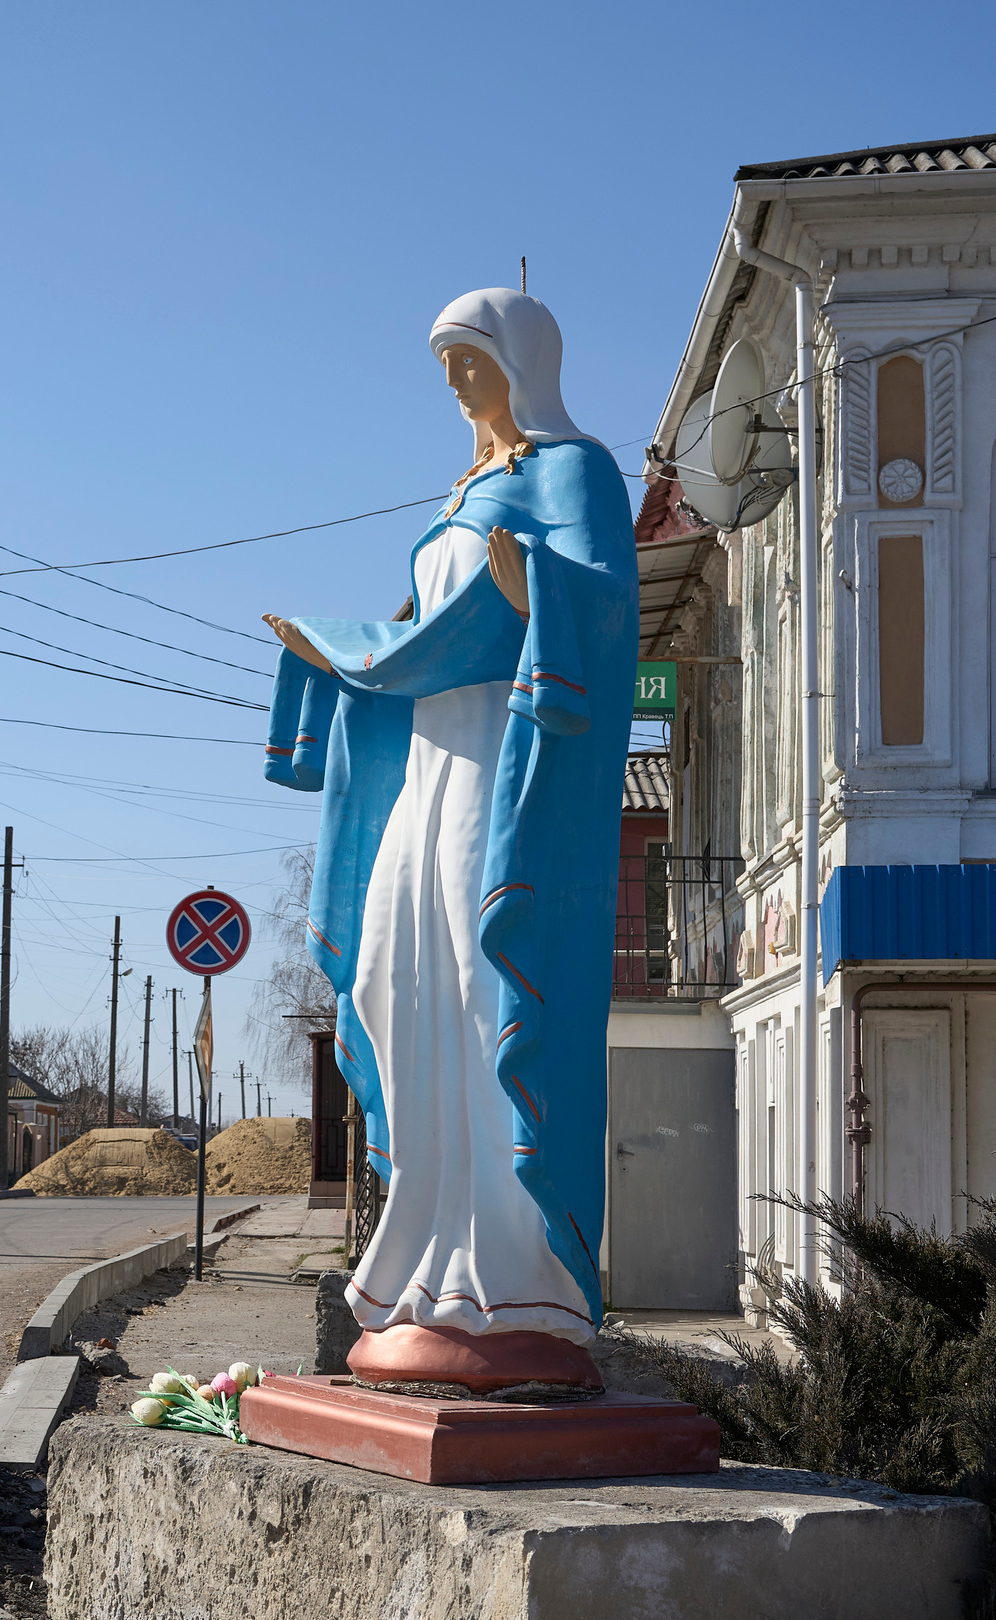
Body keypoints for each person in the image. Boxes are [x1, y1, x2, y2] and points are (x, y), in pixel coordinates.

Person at [261, 288, 634, 1386]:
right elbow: (418, 640)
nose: (453, 385)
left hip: (499, 769)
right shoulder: (460, 491)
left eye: (467, 362)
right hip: (426, 767)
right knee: (391, 979)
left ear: (521, 362)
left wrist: (541, 587)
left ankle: (515, 1281)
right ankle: (423, 1264)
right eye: (445, 366)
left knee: (483, 988)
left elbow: (606, 609)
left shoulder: (574, 471)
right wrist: (330, 649)